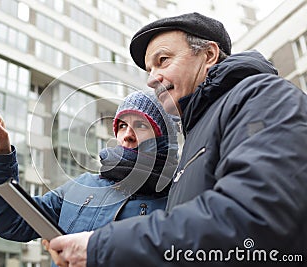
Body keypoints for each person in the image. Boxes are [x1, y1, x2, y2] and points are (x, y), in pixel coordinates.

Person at [47, 12, 307, 266]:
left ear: (208, 55)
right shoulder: (197, 132)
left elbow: (253, 218)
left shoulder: (261, 97)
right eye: (149, 69)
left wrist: (100, 247)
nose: (151, 79)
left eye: (163, 60)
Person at [0, 90, 178, 266]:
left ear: (162, 138)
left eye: (141, 125)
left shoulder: (178, 200)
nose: (127, 134)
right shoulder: (81, 186)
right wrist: (0, 156)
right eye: (122, 125)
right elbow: (11, 222)